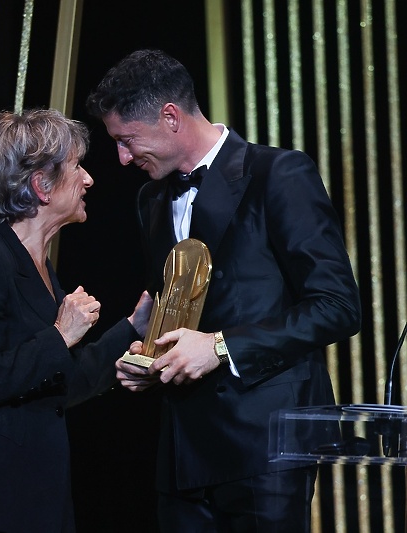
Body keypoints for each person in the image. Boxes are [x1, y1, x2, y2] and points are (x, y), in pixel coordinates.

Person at [85, 49, 362, 532]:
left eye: (127, 140)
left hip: (267, 442)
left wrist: (219, 346)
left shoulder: (278, 174)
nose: (122, 158)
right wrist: (152, 359)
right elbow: (174, 310)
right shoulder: (151, 198)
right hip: (182, 450)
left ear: (170, 117)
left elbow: (337, 306)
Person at [0, 108, 152, 533]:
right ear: (41, 184)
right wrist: (60, 335)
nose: (89, 179)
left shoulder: (43, 273)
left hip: (29, 501)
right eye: (77, 166)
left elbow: (62, 385)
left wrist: (133, 327)